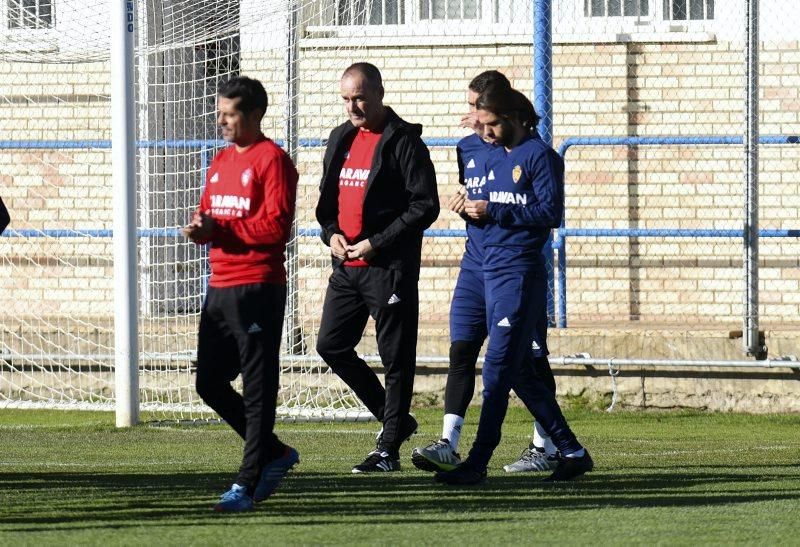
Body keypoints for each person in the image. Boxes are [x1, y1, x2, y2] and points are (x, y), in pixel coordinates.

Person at [434, 84, 593, 485]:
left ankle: (476, 462)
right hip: (485, 271)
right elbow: (491, 210)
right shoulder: (495, 154)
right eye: (481, 124)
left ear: (513, 118)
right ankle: (571, 451)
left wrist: (495, 209)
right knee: (517, 371)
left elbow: (549, 212)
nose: (484, 132)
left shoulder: (540, 157)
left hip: (518, 275)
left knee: (496, 373)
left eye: (491, 125)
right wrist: (470, 210)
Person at [411, 71, 559, 475]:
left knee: (526, 359)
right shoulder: (467, 149)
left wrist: (493, 209)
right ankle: (449, 443)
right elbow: (477, 200)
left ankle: (545, 446)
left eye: (477, 107)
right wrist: (464, 203)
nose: (472, 116)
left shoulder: (523, 151)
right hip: (475, 263)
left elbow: (537, 209)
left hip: (513, 268)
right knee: (462, 348)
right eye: (473, 109)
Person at [315, 62, 439, 473]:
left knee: (395, 358)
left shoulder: (404, 142)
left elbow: (425, 206)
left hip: (389, 268)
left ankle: (387, 450)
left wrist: (377, 241)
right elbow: (327, 205)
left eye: (360, 98)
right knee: (331, 345)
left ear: (380, 93)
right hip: (347, 266)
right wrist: (330, 234)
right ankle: (398, 421)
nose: (353, 106)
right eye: (346, 99)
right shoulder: (340, 138)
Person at [183, 76, 300, 512]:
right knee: (209, 382)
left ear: (254, 116)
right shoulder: (219, 161)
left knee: (257, 385)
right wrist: (200, 229)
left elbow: (275, 228)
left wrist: (222, 229)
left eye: (230, 114)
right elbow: (211, 216)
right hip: (219, 285)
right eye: (220, 113)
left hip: (257, 286)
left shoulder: (274, 161)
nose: (222, 121)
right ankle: (274, 452)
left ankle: (247, 484)